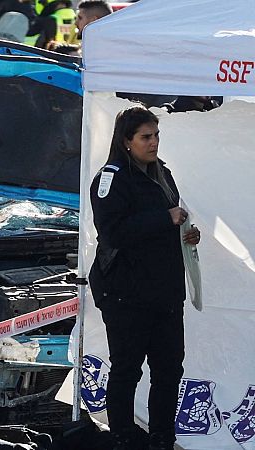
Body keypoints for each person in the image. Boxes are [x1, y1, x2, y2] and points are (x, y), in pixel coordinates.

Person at [88, 106, 201, 450]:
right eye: (145, 137)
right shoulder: (110, 179)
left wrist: (186, 232)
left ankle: (162, 439)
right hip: (125, 293)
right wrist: (163, 219)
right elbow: (112, 233)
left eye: (156, 136)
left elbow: (168, 221)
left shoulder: (162, 173)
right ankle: (121, 437)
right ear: (126, 141)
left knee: (169, 371)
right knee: (126, 370)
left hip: (165, 292)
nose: (153, 144)